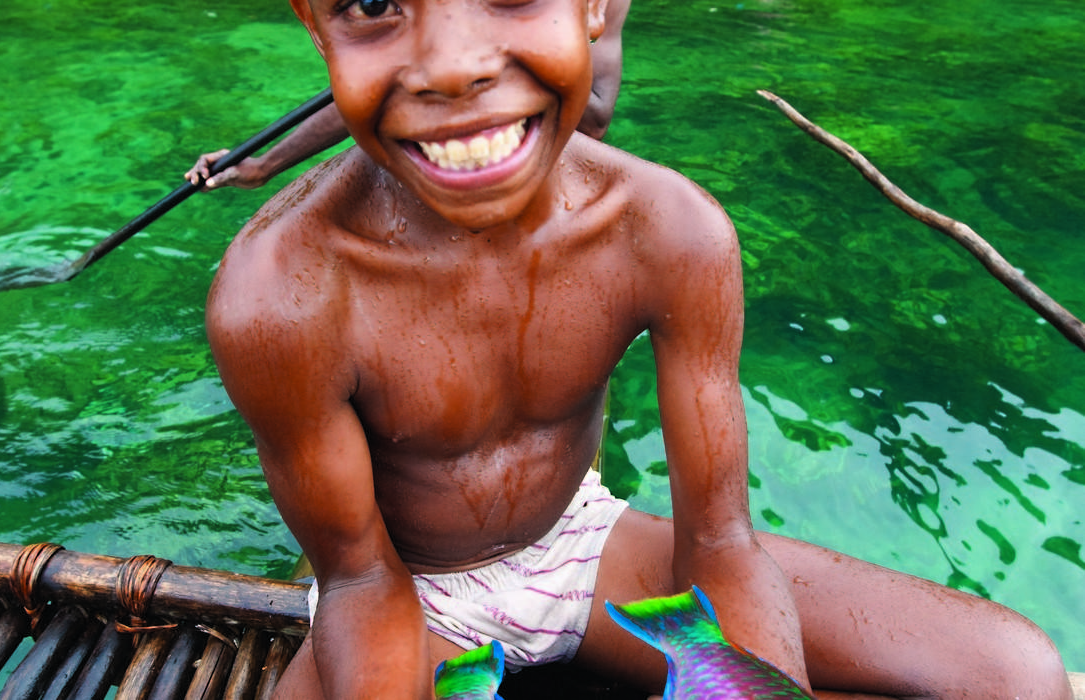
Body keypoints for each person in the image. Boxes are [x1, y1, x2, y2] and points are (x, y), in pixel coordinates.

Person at [204, 0, 1074, 697]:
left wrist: (757, 683)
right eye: (373, 3)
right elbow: (359, 582)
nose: (452, 62)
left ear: (596, 7)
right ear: (315, 23)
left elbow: (720, 537)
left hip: (578, 544)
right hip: (404, 587)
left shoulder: (670, 229)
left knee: (1014, 672)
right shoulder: (279, 295)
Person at [183, 0, 630, 190]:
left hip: (548, 192)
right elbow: (376, 91)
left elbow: (593, 120)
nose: (451, 70)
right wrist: (264, 165)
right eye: (375, 5)